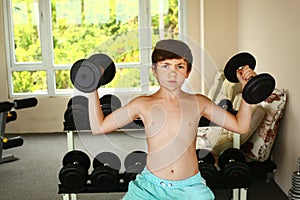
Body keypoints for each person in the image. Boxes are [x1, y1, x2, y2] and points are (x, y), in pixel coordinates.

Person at [87, 39, 256, 200]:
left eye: (179, 66)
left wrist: (248, 89)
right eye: (165, 66)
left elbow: (240, 126)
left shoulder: (199, 102)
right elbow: (99, 127)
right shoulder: (142, 104)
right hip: (150, 186)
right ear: (155, 70)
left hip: (190, 188)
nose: (172, 72)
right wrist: (91, 87)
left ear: (187, 72)